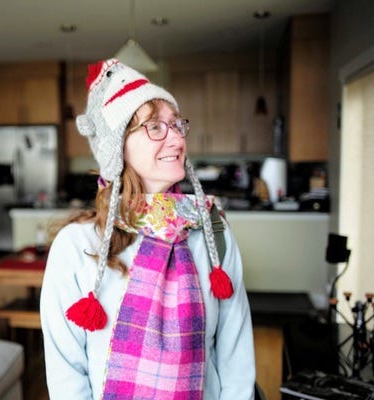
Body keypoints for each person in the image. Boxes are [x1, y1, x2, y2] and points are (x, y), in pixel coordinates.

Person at [40, 59, 255, 399]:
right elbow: (66, 369)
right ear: (118, 150)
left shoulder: (212, 234)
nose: (176, 139)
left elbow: (235, 351)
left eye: (176, 124)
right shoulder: (77, 246)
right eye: (155, 127)